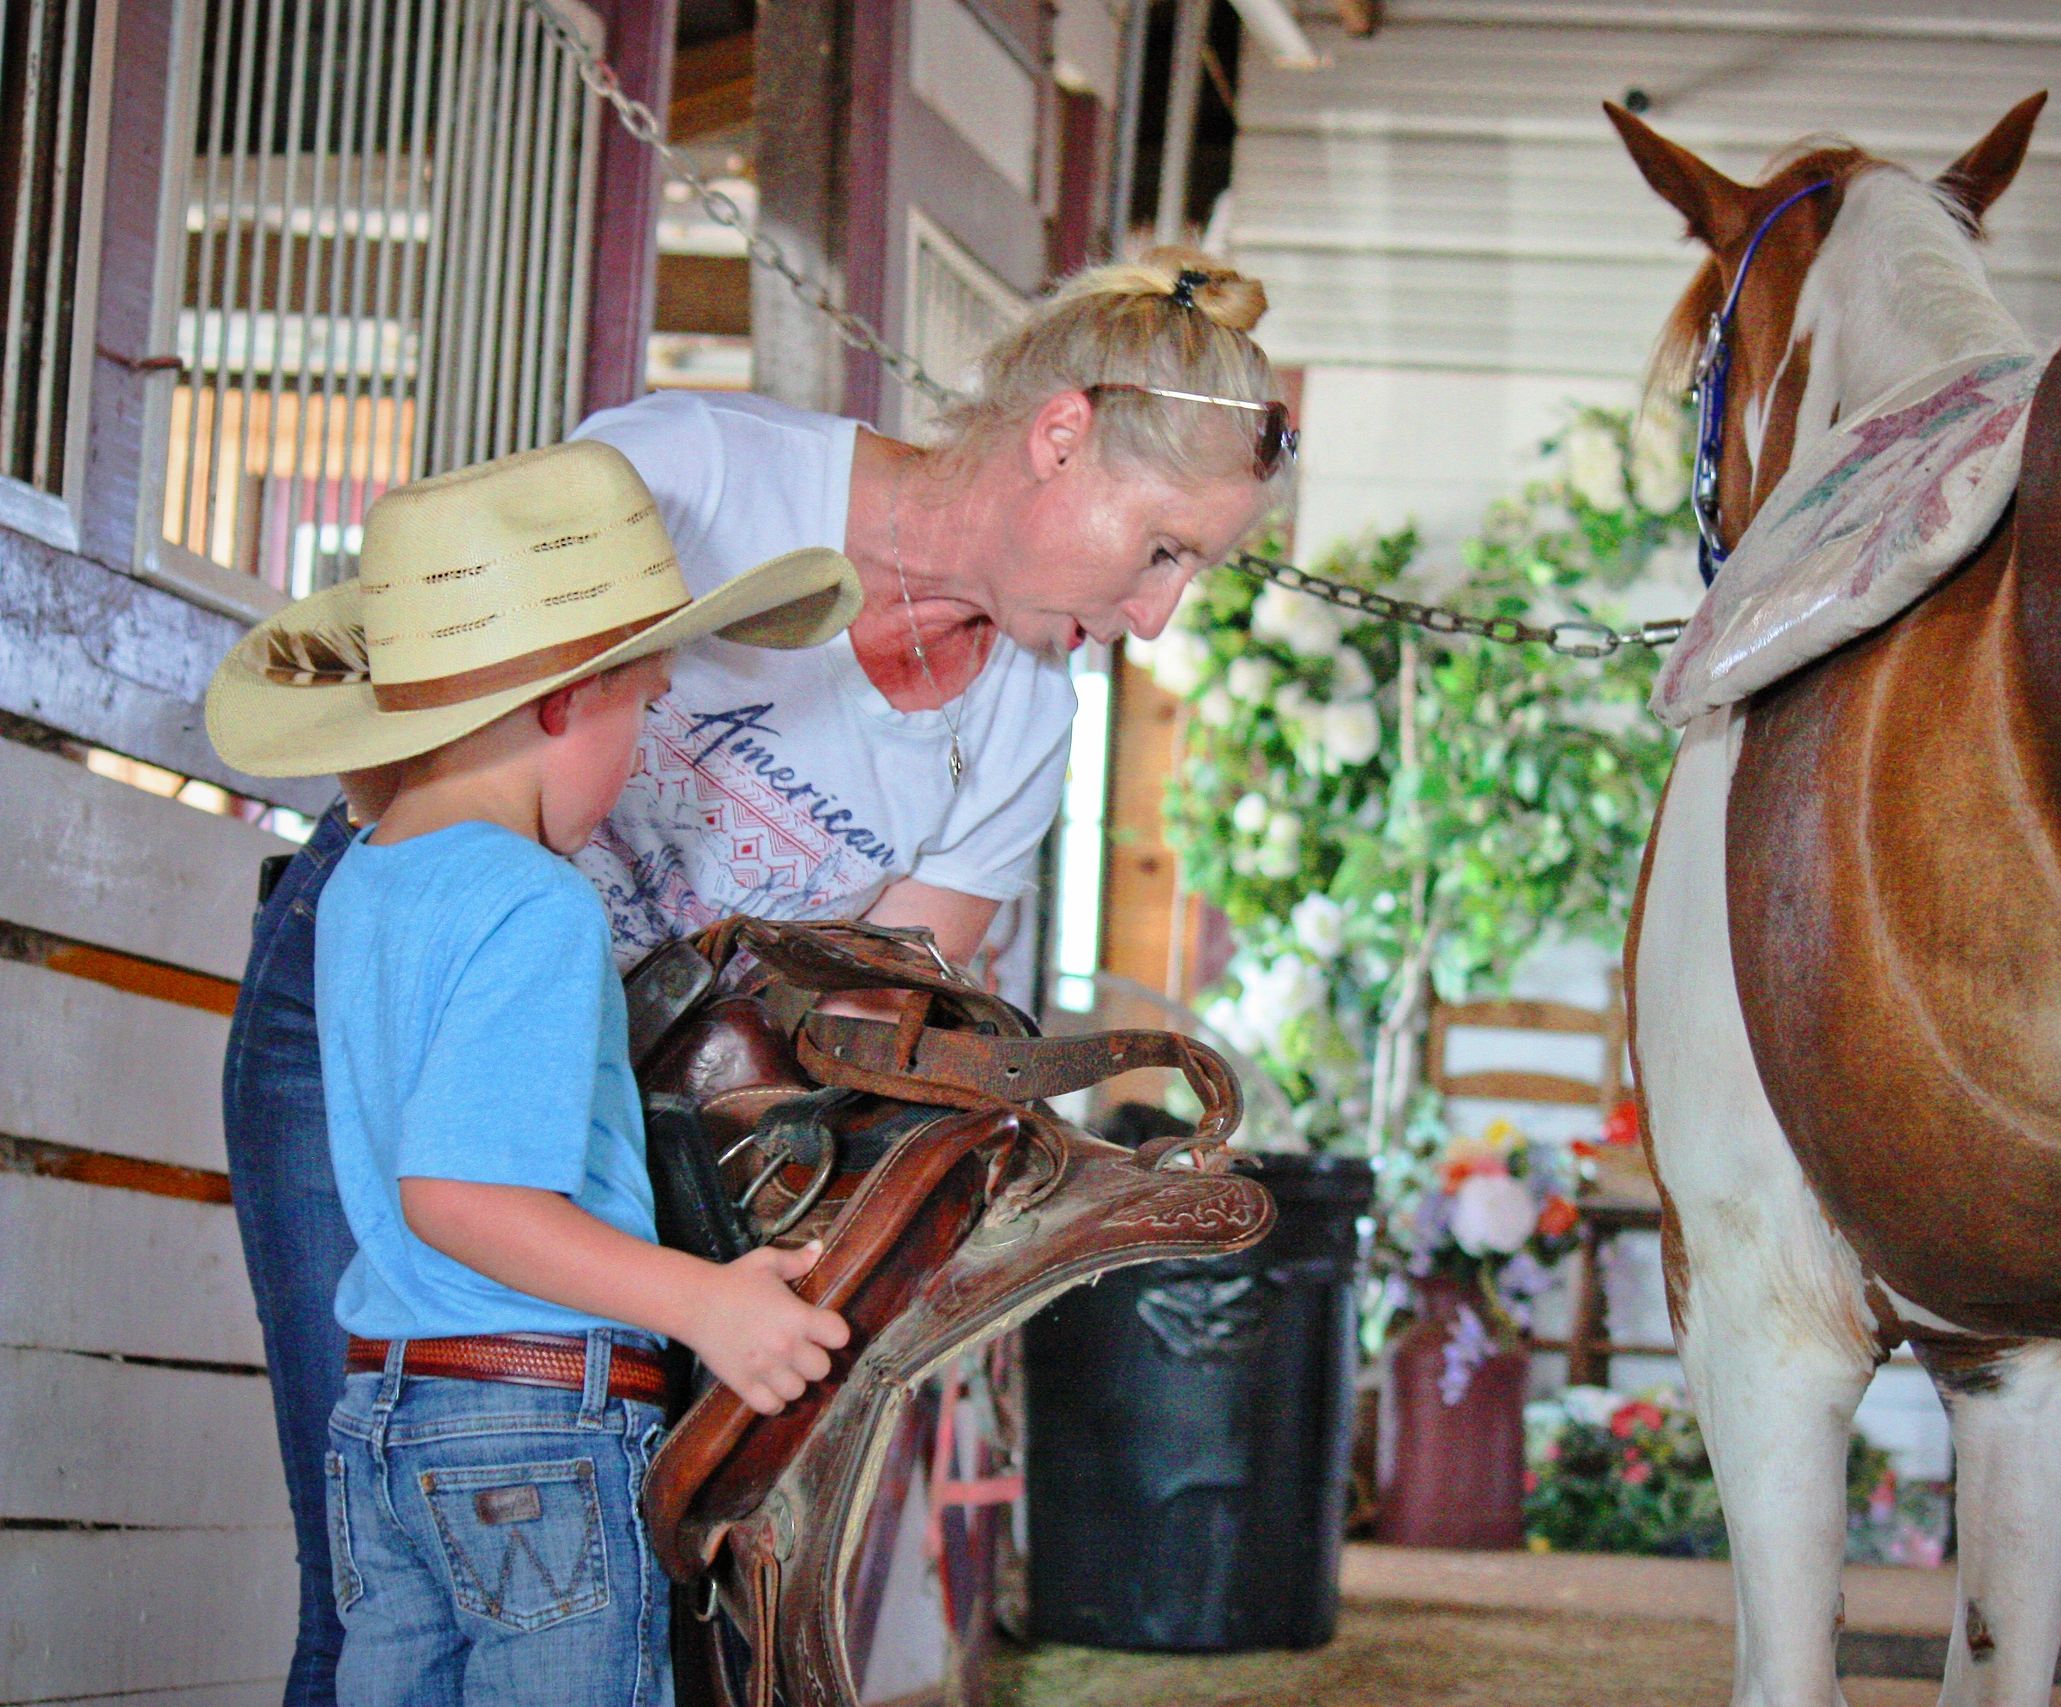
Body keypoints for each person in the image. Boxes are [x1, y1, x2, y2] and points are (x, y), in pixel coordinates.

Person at [220, 245, 1296, 1699]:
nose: (1158, 617)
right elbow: (444, 671)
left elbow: (867, 1023)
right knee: (378, 1575)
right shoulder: (704, 474)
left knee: (574, 1570)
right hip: (404, 1014)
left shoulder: (1025, 725)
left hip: (629, 1108)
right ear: (1062, 438)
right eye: (1163, 548)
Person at [205, 440, 861, 1699]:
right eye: (646, 709)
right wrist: (704, 1302)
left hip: (382, 1418)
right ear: (570, 703)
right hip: (533, 1425)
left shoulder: (365, 885)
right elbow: (462, 1200)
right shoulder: (536, 904)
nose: (644, 750)